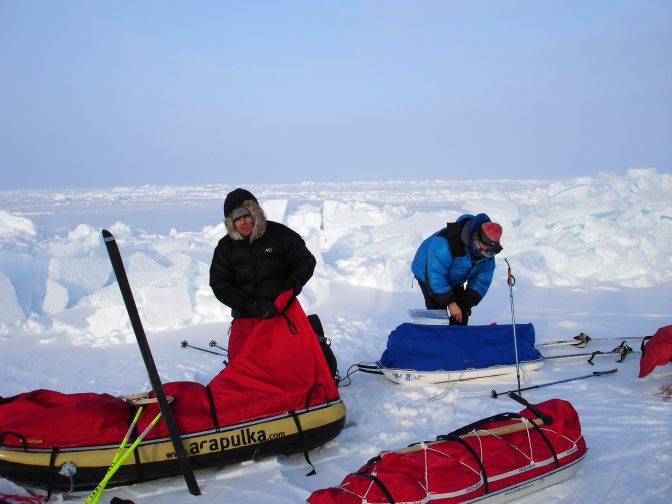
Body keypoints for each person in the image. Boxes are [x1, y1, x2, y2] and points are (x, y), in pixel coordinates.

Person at [209, 188, 316, 319]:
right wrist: (250, 305)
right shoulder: (225, 247)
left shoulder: (279, 234)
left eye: (246, 215)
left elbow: (305, 260)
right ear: (231, 222)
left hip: (283, 311)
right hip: (246, 316)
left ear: (255, 214)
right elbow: (219, 283)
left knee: (304, 340)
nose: (243, 222)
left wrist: (295, 280)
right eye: (237, 217)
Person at [411, 213, 503, 325]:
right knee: (438, 314)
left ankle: (456, 340)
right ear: (475, 237)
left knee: (461, 313)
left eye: (489, 249)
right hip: (428, 273)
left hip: (455, 277)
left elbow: (482, 280)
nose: (485, 251)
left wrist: (465, 303)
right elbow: (435, 274)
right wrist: (451, 303)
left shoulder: (487, 253)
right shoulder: (447, 242)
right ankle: (435, 337)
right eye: (482, 246)